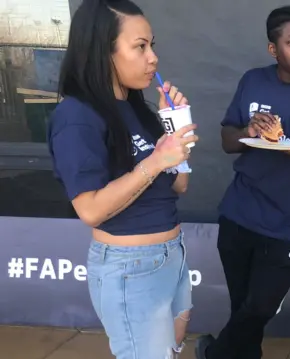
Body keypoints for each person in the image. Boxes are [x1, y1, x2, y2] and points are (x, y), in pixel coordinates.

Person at [47, 0, 199, 358]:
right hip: (131, 268)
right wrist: (157, 160)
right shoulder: (77, 116)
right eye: (140, 47)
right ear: (104, 51)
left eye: (152, 45)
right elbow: (90, 210)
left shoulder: (138, 110)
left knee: (171, 350)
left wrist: (173, 131)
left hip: (170, 255)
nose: (153, 58)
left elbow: (179, 186)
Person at [196, 5, 290, 359]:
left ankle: (211, 354)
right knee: (242, 308)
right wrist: (249, 131)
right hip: (240, 212)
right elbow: (228, 142)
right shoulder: (252, 81)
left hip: (289, 222)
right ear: (273, 49)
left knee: (260, 308)